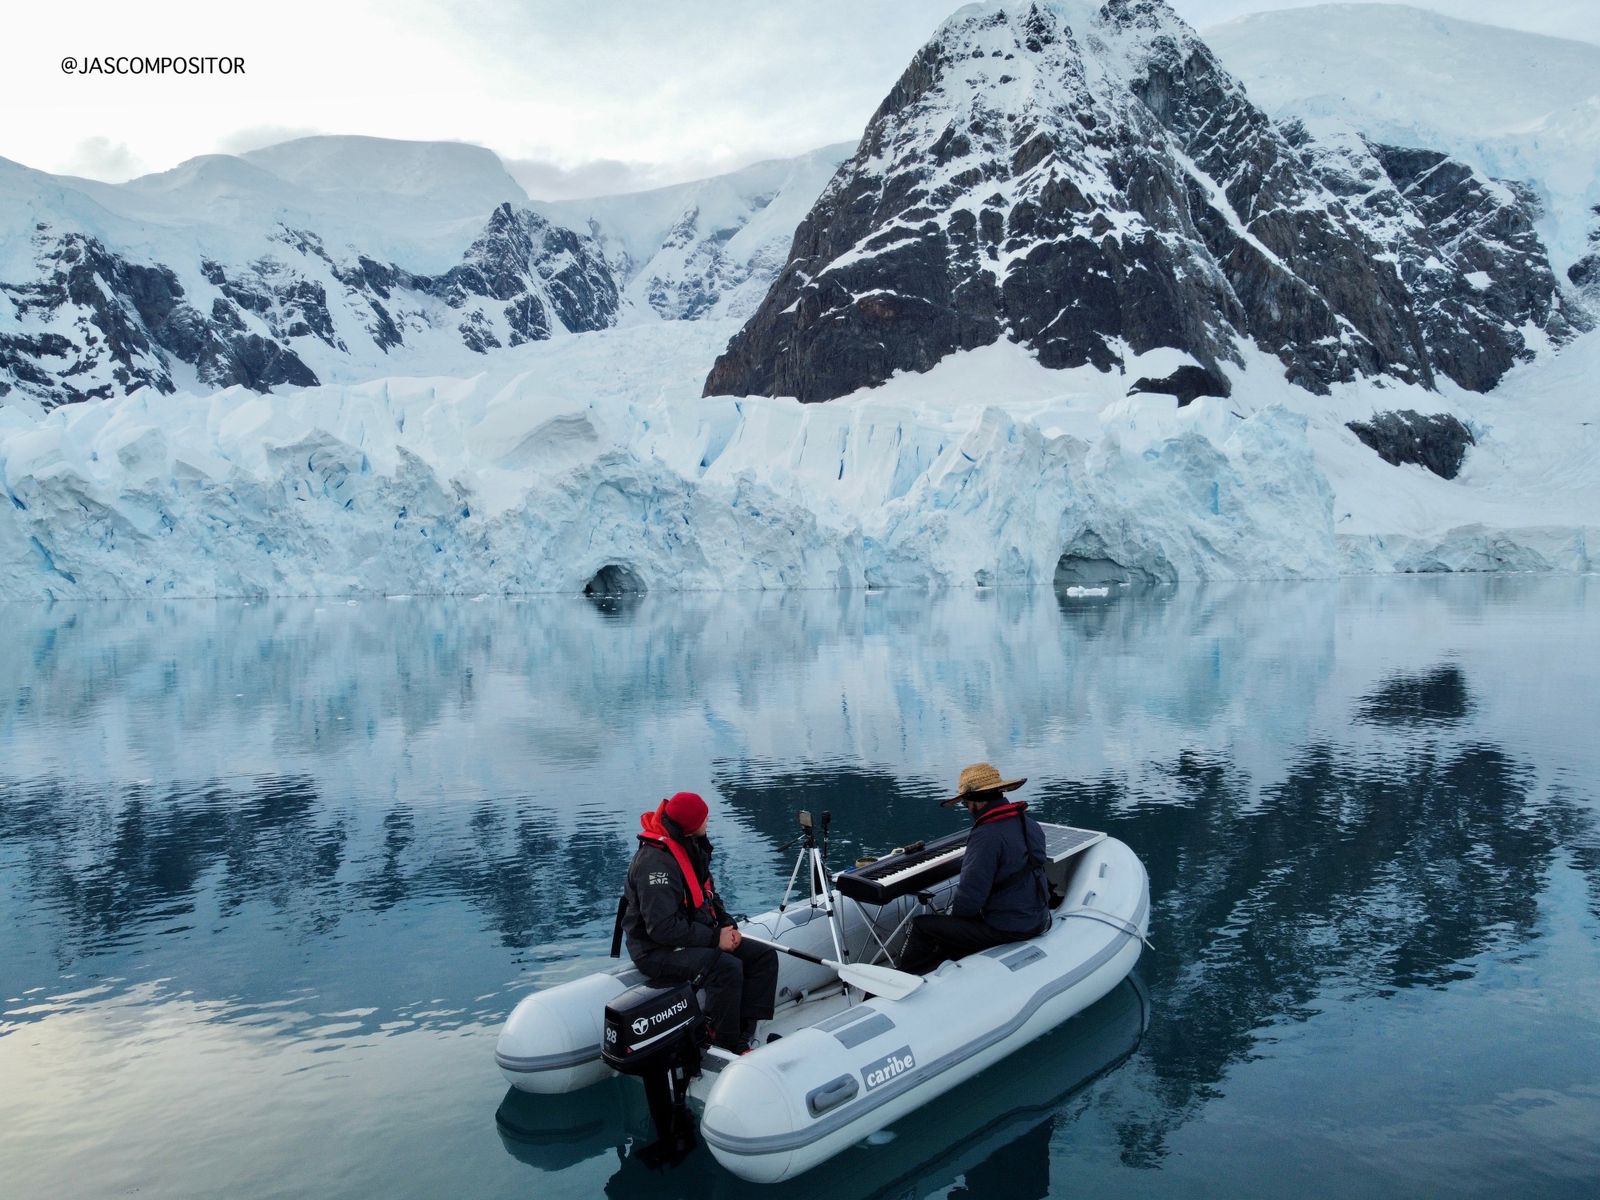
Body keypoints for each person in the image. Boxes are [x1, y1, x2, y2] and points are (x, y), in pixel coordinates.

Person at [619, 790, 778, 1053]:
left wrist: (727, 924)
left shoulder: (690, 846)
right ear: (690, 826)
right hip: (655, 950)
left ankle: (744, 1034)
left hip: (693, 935)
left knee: (763, 957)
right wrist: (716, 939)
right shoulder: (655, 864)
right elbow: (661, 929)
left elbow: (708, 894)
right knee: (725, 967)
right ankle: (723, 1044)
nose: (708, 823)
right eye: (704, 819)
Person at [899, 762, 1051, 974]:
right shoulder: (1028, 822)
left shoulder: (986, 835)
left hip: (1009, 928)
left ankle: (903, 980)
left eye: (965, 804)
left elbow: (970, 895)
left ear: (976, 803)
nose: (967, 809)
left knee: (922, 926)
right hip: (1037, 918)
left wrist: (952, 923)